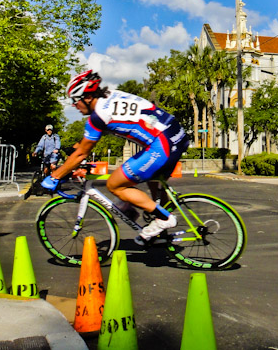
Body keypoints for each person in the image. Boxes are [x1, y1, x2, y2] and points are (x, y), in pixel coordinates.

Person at [41, 70, 190, 243]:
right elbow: (83, 145)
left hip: (162, 144)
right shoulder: (111, 96)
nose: (75, 105)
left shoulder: (98, 117)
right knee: (148, 179)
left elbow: (82, 152)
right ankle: (157, 225)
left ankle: (164, 219)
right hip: (176, 134)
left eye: (75, 101)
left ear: (87, 98)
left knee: (115, 184)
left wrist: (55, 176)